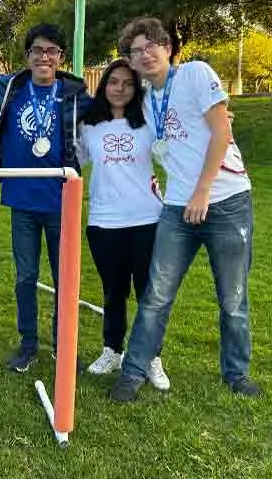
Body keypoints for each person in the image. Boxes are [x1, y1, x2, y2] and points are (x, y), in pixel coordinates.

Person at [109, 17, 259, 401]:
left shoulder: (195, 74)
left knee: (232, 298)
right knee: (156, 294)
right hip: (177, 208)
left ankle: (236, 373)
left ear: (167, 47)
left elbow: (221, 132)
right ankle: (133, 372)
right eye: (136, 51)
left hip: (225, 201)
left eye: (150, 46)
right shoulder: (145, 99)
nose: (145, 55)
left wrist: (202, 191)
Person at [0, 23, 92, 373]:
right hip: (22, 201)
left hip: (62, 202)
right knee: (25, 277)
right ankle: (28, 344)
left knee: (65, 279)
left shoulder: (75, 95)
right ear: (27, 55)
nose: (44, 57)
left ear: (61, 57)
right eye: (37, 51)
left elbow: (118, 108)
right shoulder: (9, 89)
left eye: (52, 51)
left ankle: (63, 344)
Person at [78, 59, 169, 390]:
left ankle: (150, 356)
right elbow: (73, 161)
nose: (120, 89)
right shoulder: (89, 125)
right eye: (114, 82)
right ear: (104, 85)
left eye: (128, 83)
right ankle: (112, 349)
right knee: (113, 292)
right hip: (104, 222)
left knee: (148, 293)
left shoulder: (148, 120)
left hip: (147, 220)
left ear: (136, 88)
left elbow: (176, 144)